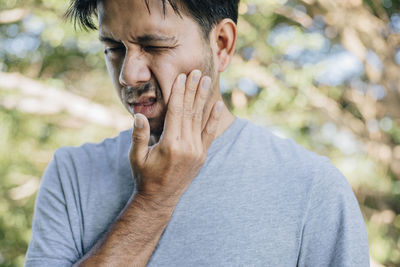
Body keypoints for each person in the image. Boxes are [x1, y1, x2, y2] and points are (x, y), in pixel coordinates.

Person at [24, 0, 370, 266]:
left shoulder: (313, 188)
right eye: (114, 49)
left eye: (155, 46)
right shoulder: (72, 174)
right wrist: (151, 203)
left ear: (221, 45)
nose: (128, 75)